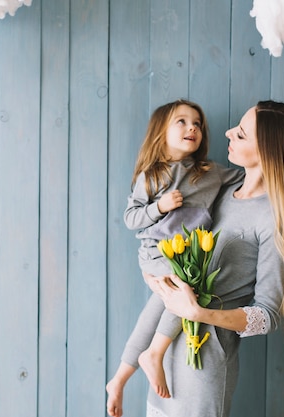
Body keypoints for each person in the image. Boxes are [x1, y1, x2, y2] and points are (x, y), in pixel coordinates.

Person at [138, 100, 284, 417]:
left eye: (242, 134)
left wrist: (197, 311)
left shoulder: (274, 218)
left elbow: (267, 316)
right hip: (163, 360)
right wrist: (154, 272)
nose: (227, 133)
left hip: (202, 370)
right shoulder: (217, 184)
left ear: (269, 151)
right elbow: (165, 232)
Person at [106, 99, 243, 417]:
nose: (192, 127)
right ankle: (154, 354)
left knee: (157, 310)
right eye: (181, 121)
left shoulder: (209, 172)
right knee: (185, 289)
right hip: (158, 253)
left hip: (188, 259)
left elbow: (246, 179)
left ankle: (119, 378)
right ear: (160, 133)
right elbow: (131, 218)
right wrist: (160, 207)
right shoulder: (152, 176)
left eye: (197, 123)